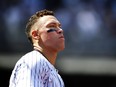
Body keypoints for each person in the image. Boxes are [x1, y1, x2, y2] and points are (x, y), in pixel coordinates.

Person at [9, 9, 65, 87]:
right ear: (35, 35)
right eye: (52, 26)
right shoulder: (34, 60)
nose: (60, 30)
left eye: (59, 26)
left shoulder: (56, 75)